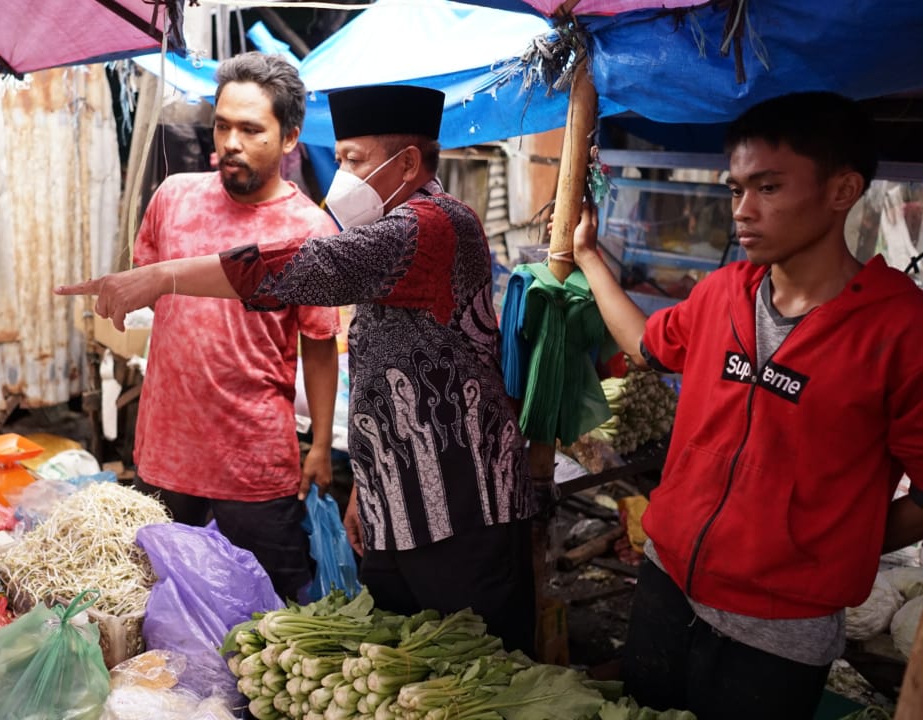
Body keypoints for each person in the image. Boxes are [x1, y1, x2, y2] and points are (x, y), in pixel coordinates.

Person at [58, 84, 539, 653]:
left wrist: (162, 275)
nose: (343, 178)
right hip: (398, 502)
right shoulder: (384, 232)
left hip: (462, 508)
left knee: (480, 668)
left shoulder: (435, 226)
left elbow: (310, 265)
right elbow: (393, 387)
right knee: (400, 667)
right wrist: (368, 484)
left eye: (355, 162)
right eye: (339, 162)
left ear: (407, 162)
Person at [570, 91, 923, 719]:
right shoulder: (722, 293)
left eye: (767, 188)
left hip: (781, 626)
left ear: (842, 190)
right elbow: (649, 347)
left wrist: (835, 542)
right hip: (666, 576)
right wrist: (590, 259)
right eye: (736, 190)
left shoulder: (901, 329)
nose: (742, 211)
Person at [122, 52, 340, 603]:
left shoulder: (310, 230)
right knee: (156, 599)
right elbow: (145, 280)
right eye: (222, 126)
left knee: (277, 604)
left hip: (253, 460)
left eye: (250, 129)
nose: (230, 143)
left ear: (290, 139)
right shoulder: (172, 199)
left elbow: (319, 345)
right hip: (166, 453)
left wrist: (317, 444)